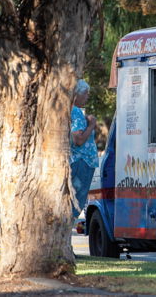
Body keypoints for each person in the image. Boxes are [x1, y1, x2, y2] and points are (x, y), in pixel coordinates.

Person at [70, 79, 99, 220]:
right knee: (74, 205)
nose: (87, 97)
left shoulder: (74, 111)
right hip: (82, 162)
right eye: (85, 94)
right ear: (77, 94)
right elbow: (79, 139)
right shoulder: (75, 111)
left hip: (81, 162)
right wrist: (92, 125)